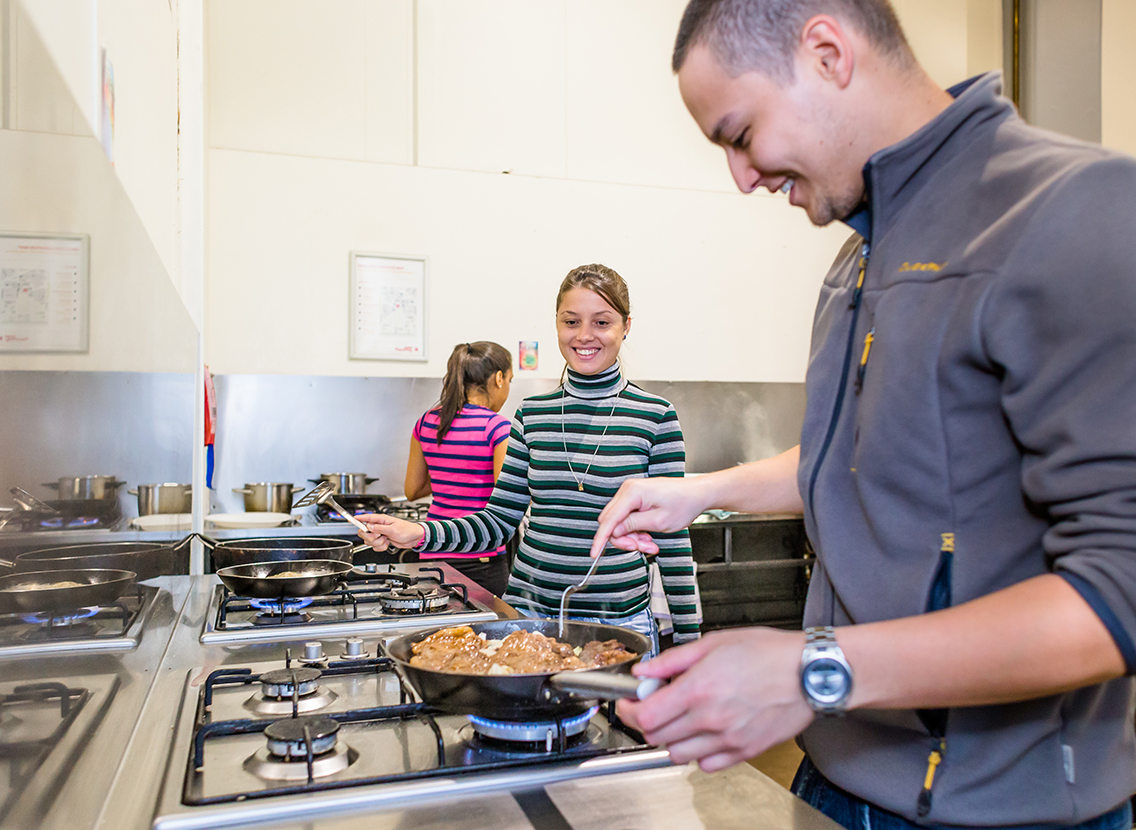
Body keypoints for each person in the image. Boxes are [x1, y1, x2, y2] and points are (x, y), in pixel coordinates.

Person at [590, 2, 1136, 829]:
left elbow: (1117, 594)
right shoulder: (857, 255)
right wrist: (700, 490)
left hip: (1005, 813)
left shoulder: (1072, 212)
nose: (742, 177)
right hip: (835, 779)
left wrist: (808, 672)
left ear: (826, 52)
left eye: (739, 136)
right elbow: (863, 460)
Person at [360, 264, 701, 654]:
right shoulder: (532, 414)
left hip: (619, 626)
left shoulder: (655, 416)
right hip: (530, 624)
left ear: (625, 326)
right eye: (571, 321)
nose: (585, 335)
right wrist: (418, 533)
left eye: (602, 322)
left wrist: (690, 641)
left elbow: (673, 540)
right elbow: (497, 523)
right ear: (557, 323)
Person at [402, 341, 514, 596]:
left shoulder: (427, 422)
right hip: (481, 555)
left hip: (432, 551)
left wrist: (451, 471)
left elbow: (412, 490)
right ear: (498, 378)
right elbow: (504, 499)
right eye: (509, 380)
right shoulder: (497, 427)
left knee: (439, 632)